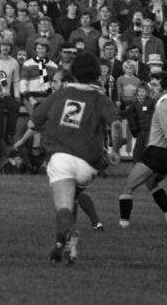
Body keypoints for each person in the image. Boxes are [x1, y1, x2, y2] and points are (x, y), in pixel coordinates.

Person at [27, 52, 122, 265]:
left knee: (63, 208)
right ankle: (62, 244)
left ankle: (67, 237)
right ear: (97, 73)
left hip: (62, 158)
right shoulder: (101, 98)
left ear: (74, 73)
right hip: (89, 165)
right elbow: (116, 125)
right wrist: (115, 151)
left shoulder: (62, 93)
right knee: (73, 199)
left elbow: (33, 122)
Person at [118, 71, 167, 227]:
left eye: (154, 85)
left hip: (158, 153)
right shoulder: (160, 103)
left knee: (128, 187)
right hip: (160, 152)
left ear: (164, 87)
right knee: (152, 183)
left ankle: (123, 225)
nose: (150, 88)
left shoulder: (163, 106)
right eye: (150, 84)